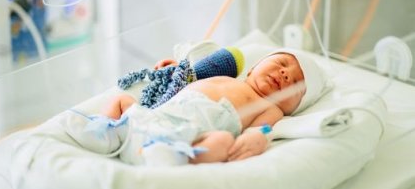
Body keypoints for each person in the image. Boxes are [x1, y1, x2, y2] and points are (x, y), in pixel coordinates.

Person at [66, 48, 329, 166]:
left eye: (296, 81)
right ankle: (106, 130)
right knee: (121, 101)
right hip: (158, 116)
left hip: (192, 133)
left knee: (223, 141)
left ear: (295, 106)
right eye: (282, 63)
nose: (285, 75)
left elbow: (261, 130)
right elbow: (184, 79)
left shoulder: (271, 109)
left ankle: (177, 155)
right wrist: (172, 70)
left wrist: (256, 139)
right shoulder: (230, 78)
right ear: (254, 67)